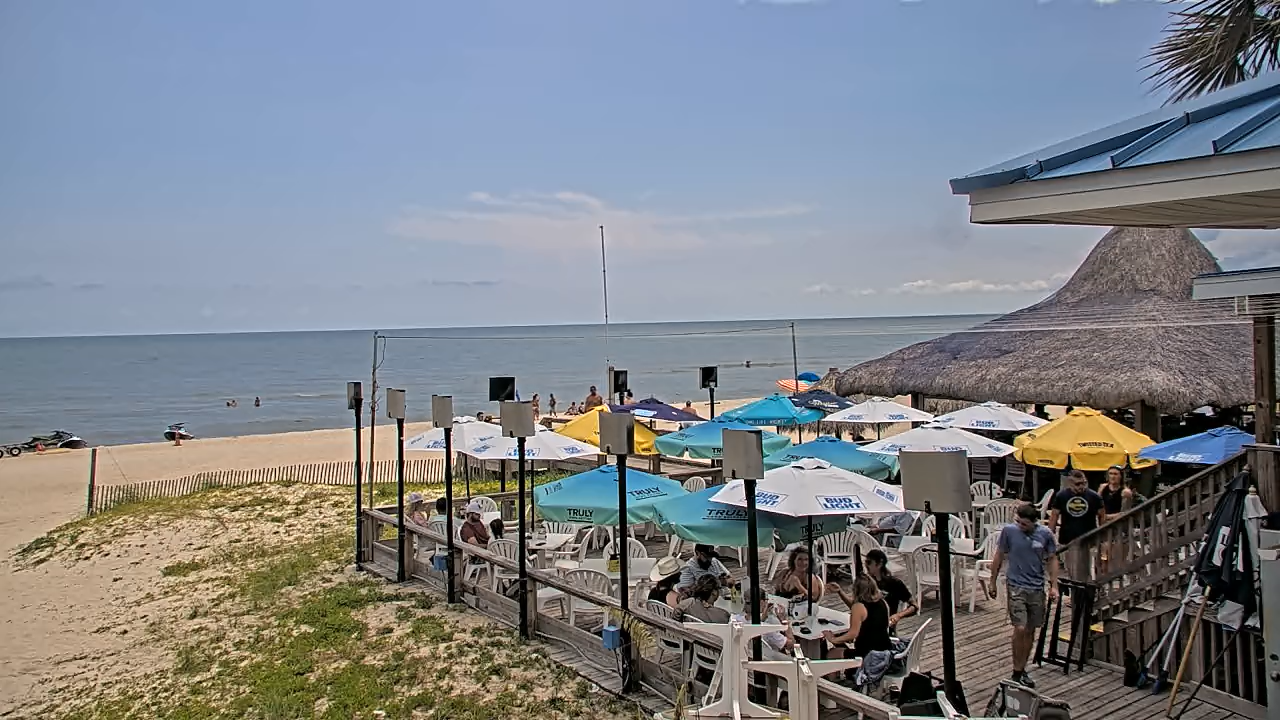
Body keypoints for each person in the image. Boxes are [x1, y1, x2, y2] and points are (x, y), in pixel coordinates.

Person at [988, 503, 1059, 689]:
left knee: (1030, 629)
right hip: (1016, 585)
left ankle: (1021, 669)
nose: (1020, 526)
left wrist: (1054, 586)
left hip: (1036, 587)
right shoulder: (1009, 532)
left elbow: (1052, 559)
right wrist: (992, 580)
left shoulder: (1045, 535)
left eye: (1024, 524)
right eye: (1018, 522)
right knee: (1019, 627)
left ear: (1034, 522)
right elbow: (999, 554)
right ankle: (1015, 667)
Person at [1048, 469, 1104, 580]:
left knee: (1085, 569)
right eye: (1078, 484)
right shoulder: (1062, 496)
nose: (1081, 486)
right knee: (1071, 570)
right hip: (1068, 537)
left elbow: (1102, 514)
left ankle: (1084, 591)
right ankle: (1076, 592)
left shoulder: (1094, 496)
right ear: (1070, 483)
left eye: (1084, 483)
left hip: (1087, 536)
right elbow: (1054, 516)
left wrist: (1101, 534)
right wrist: (1049, 535)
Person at [823, 574, 892, 659]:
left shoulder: (858, 607)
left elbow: (853, 634)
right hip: (885, 652)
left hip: (868, 655)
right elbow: (858, 610)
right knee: (840, 644)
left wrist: (832, 639)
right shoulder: (883, 603)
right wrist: (840, 592)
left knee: (831, 654)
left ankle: (849, 670)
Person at [730, 586, 794, 655]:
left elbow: (751, 622)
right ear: (762, 602)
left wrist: (763, 616)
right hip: (771, 661)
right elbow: (791, 646)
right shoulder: (767, 629)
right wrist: (784, 621)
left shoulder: (734, 620)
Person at [863, 549, 917, 628]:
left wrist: (899, 615)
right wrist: (840, 592)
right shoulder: (865, 582)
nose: (866, 566)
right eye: (865, 562)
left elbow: (914, 606)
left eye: (869, 562)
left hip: (884, 626)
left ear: (879, 564)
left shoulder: (894, 583)